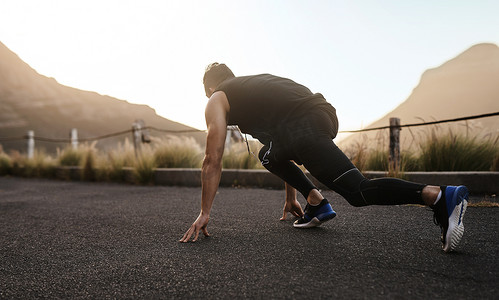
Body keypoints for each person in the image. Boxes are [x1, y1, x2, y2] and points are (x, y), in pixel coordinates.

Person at [180, 63, 469, 252]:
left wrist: (205, 212)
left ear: (209, 88)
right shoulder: (250, 89)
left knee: (358, 191)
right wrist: (291, 196)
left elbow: (212, 158)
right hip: (320, 117)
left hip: (303, 126)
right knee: (267, 154)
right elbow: (278, 144)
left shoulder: (217, 98)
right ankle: (315, 202)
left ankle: (440, 196)